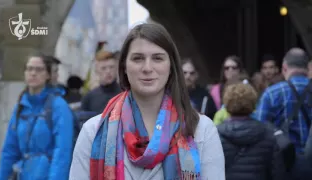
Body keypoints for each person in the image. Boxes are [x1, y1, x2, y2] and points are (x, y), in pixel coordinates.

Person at [70, 23, 225, 180]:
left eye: (157, 58)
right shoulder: (93, 132)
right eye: (138, 58)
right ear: (124, 66)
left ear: (171, 66)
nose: (147, 68)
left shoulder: (201, 130)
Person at [0, 52, 74, 180]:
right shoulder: (21, 106)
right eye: (29, 69)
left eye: (39, 69)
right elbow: (9, 151)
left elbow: (62, 152)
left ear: (48, 75)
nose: (33, 73)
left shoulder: (59, 106)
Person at [256, 48, 312, 179]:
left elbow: (259, 129)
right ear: (308, 68)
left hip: (283, 165)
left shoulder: (271, 93)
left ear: (284, 68)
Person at [217, 83, 285, 180]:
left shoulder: (216, 135)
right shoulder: (267, 134)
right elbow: (277, 173)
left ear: (227, 104)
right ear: (253, 104)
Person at [81, 49, 121, 114]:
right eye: (103, 68)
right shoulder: (89, 97)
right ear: (97, 70)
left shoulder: (125, 94)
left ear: (116, 68)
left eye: (111, 67)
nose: (108, 71)